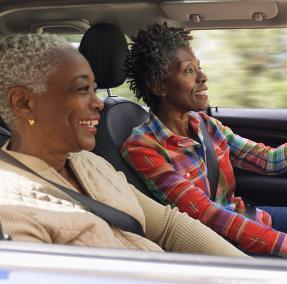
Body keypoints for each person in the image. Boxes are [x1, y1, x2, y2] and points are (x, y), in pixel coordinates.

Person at [122, 23, 287, 262]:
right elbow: (208, 216)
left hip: (248, 218)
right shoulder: (144, 148)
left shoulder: (204, 125)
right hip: (223, 246)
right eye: (189, 71)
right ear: (159, 86)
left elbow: (269, 160)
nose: (203, 77)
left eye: (200, 69)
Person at [0, 33, 246, 257]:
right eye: (81, 89)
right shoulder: (12, 209)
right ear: (23, 103)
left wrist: (247, 269)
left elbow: (169, 226)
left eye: (94, 90)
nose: (98, 103)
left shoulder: (90, 163)